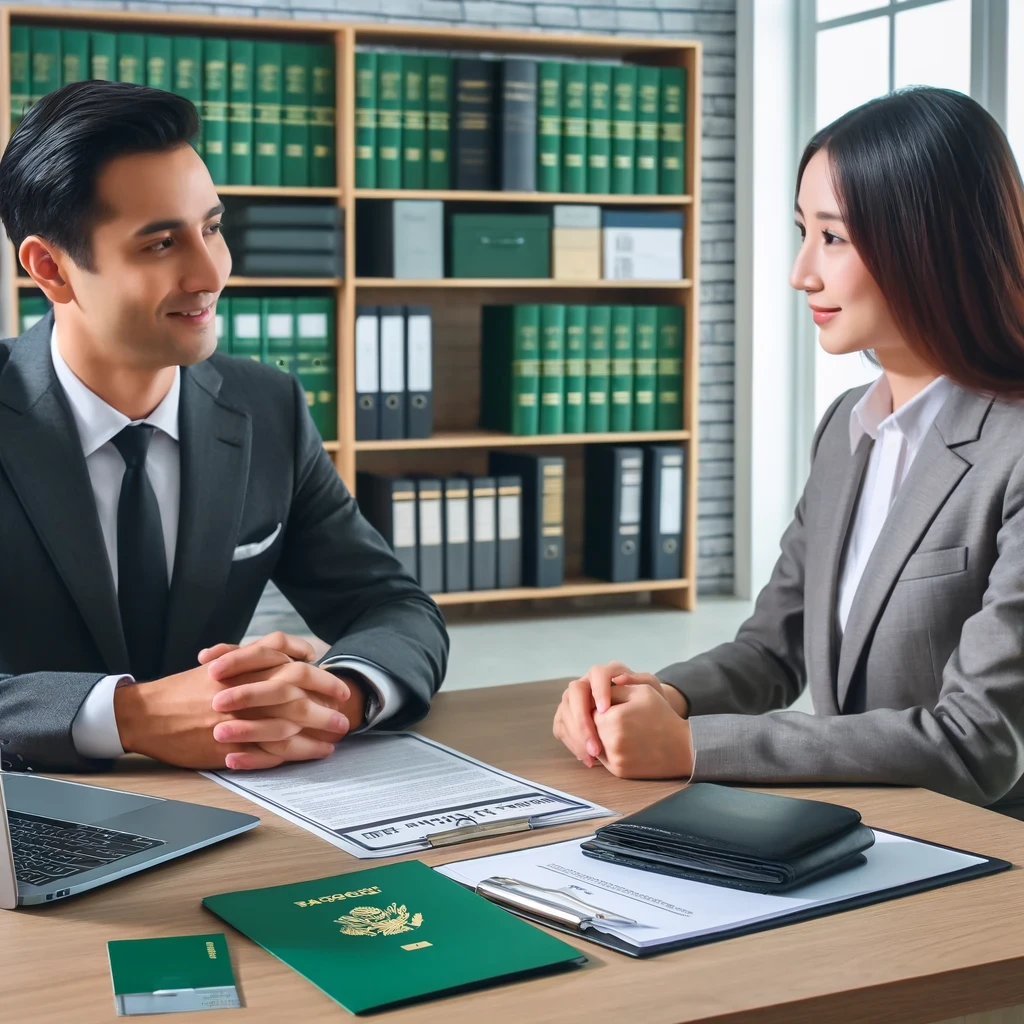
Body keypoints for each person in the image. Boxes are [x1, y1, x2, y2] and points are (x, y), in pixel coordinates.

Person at [554, 86, 1024, 818]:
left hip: (986, 863)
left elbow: (977, 740)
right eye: (803, 232)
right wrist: (659, 697)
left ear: (929, 242)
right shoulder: (847, 427)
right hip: (861, 836)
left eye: (833, 238)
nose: (801, 272)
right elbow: (774, 649)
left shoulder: (1013, 445)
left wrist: (693, 747)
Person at [0, 81, 448, 775]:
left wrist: (335, 695)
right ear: (50, 268)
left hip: (233, 802)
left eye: (211, 227)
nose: (211, 272)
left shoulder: (267, 406)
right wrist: (130, 717)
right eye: (160, 244)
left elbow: (393, 606)